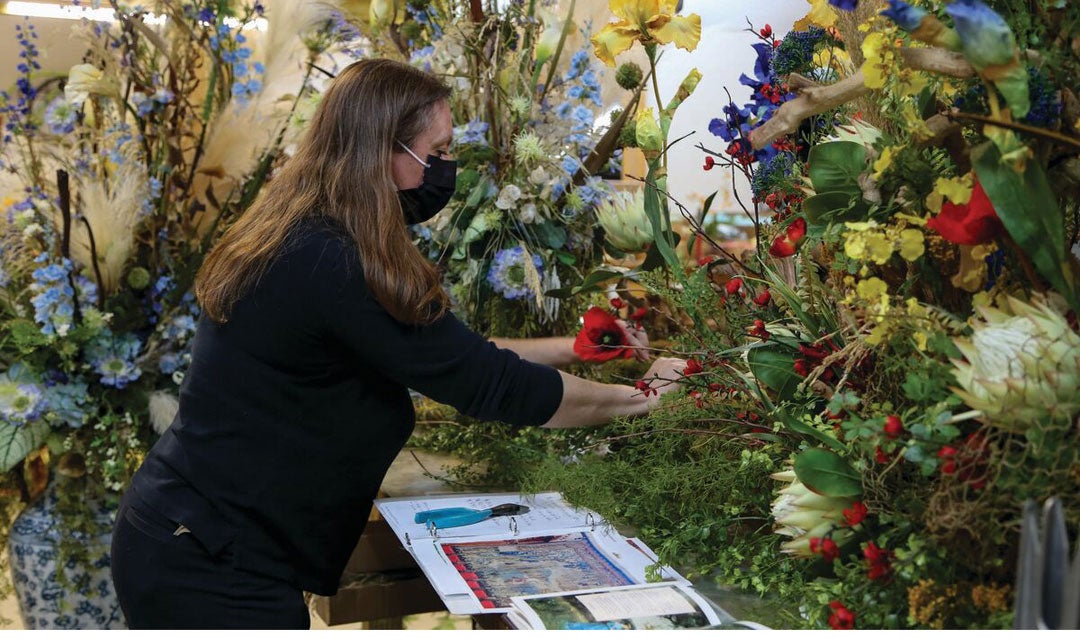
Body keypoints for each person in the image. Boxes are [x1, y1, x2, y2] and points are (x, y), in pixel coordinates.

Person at [110, 58, 686, 629]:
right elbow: (488, 383)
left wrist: (577, 348)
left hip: (197, 536)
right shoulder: (331, 258)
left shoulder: (310, 227)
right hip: (208, 563)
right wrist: (644, 398)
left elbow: (444, 351)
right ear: (380, 149)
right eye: (433, 155)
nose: (443, 171)